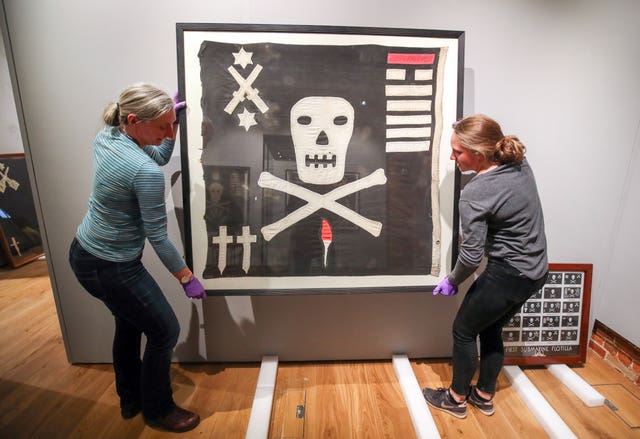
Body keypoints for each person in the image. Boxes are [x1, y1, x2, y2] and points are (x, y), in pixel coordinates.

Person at [68, 83, 206, 433]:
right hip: (109, 265)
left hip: (85, 253)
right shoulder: (142, 173)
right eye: (163, 126)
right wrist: (187, 277)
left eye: (172, 124)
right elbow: (158, 236)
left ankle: (130, 398)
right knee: (164, 331)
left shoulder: (108, 137)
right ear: (133, 120)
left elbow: (156, 153)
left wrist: (168, 123)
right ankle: (158, 410)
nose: (169, 132)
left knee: (129, 324)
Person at [422, 114, 548, 419]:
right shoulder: (518, 163)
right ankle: (484, 394)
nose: (452, 157)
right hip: (536, 273)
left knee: (464, 331)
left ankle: (455, 399)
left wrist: (452, 280)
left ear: (479, 154)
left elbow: (471, 255)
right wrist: (464, 128)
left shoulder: (474, 193)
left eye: (458, 151)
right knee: (491, 329)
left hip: (508, 274)